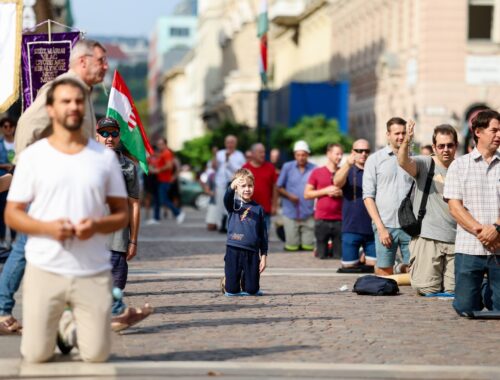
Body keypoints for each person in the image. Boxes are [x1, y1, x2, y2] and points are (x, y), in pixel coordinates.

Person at [4, 78, 128, 363]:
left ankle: (69, 327)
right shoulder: (33, 157)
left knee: (96, 355)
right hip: (45, 267)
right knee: (35, 355)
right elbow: (12, 213)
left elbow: (121, 212)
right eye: (65, 101)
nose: (73, 106)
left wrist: (96, 226)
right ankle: (59, 328)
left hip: (91, 269)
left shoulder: (103, 158)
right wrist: (47, 228)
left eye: (78, 101)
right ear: (50, 109)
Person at [0, 39, 109, 334]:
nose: (106, 66)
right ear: (83, 61)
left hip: (66, 183)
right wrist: (27, 169)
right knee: (26, 246)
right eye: (102, 60)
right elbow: (27, 123)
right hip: (47, 184)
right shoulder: (63, 88)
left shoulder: (81, 92)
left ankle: (79, 313)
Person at [95, 117, 153, 331]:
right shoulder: (85, 160)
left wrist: (134, 240)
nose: (109, 138)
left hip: (117, 236)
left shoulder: (128, 166)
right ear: (96, 136)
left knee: (117, 281)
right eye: (104, 133)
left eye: (113, 133)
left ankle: (113, 315)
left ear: (119, 136)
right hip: (90, 234)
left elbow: (134, 205)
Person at [444, 109, 500, 316]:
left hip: (499, 247)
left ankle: (488, 291)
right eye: (494, 130)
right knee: (465, 308)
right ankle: (483, 289)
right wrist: (483, 232)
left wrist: (496, 228)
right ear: (478, 131)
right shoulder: (459, 166)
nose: (499, 135)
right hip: (469, 247)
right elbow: (455, 208)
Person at [398, 122, 458, 295]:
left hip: (456, 238)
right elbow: (403, 161)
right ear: (434, 147)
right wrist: (407, 141)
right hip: (428, 236)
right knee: (426, 288)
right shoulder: (425, 164)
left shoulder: (462, 167)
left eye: (450, 145)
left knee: (454, 290)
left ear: (456, 146)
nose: (445, 149)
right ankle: (405, 268)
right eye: (441, 146)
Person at [363, 117, 414, 276]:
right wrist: (380, 227)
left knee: (416, 270)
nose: (400, 137)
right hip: (385, 224)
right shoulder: (375, 160)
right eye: (397, 133)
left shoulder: (413, 159)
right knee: (384, 271)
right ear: (388, 135)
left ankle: (400, 268)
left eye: (403, 133)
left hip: (410, 225)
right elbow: (368, 196)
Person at [220, 169, 268, 295]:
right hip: (233, 249)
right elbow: (226, 198)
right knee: (232, 290)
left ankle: (245, 279)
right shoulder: (232, 205)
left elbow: (263, 234)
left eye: (250, 185)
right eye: (243, 186)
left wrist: (263, 255)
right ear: (237, 188)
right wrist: (231, 186)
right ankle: (227, 281)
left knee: (252, 290)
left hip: (252, 252)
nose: (247, 189)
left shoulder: (259, 209)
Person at [334, 139, 376, 270]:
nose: (363, 153)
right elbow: (337, 182)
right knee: (349, 266)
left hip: (373, 228)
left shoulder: (375, 170)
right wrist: (347, 164)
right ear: (353, 152)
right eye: (359, 151)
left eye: (366, 151)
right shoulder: (347, 170)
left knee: (374, 267)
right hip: (351, 227)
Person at [304, 143, 343, 259]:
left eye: (341, 154)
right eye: (337, 154)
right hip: (321, 219)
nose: (340, 157)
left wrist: (342, 193)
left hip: (340, 220)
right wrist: (325, 191)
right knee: (321, 256)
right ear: (328, 154)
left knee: (339, 256)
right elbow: (307, 194)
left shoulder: (344, 172)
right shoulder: (317, 172)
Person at [277, 140, 316, 251]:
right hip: (291, 211)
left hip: (308, 211)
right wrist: (289, 196)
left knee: (308, 246)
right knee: (292, 246)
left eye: (303, 155)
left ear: (307, 155)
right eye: (298, 155)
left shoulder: (315, 169)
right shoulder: (287, 167)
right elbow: (278, 186)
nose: (301, 157)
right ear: (295, 155)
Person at [243, 143, 278, 231]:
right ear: (253, 153)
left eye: (264, 152)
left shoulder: (270, 168)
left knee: (263, 238)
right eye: (260, 152)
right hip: (248, 210)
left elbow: (275, 187)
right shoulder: (245, 168)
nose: (263, 154)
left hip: (265, 210)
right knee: (249, 237)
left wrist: (274, 205)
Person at [213, 135, 245, 232]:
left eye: (232, 142)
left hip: (234, 183)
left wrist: (228, 160)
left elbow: (241, 169)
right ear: (225, 143)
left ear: (235, 143)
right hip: (221, 183)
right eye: (228, 142)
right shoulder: (220, 153)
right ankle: (221, 224)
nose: (230, 144)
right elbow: (214, 167)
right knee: (220, 204)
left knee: (233, 204)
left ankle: (231, 226)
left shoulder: (239, 155)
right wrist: (214, 155)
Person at [151, 138, 185, 224]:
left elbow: (169, 166)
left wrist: (158, 170)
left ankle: (178, 213)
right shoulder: (162, 153)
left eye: (161, 144)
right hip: (160, 179)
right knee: (158, 199)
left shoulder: (166, 153)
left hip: (165, 180)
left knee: (163, 199)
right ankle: (156, 218)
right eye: (158, 144)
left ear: (165, 144)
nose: (159, 146)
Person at [0, 117, 17, 249]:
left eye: (10, 126)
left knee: (14, 208)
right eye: (5, 126)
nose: (8, 129)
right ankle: (2, 240)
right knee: (1, 210)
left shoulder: (19, 143)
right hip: (4, 179)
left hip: (16, 181)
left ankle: (13, 239)